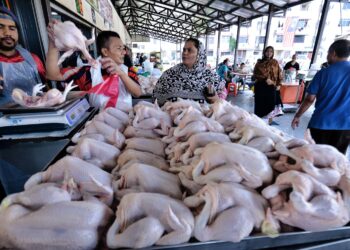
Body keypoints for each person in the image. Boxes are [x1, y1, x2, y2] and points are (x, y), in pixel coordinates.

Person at [46, 23, 141, 111]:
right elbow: (53, 75)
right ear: (105, 51)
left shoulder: (128, 71)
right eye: (119, 48)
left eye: (123, 48)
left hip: (126, 124)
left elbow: (137, 93)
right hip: (98, 124)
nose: (124, 52)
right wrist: (53, 43)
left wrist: (120, 73)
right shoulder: (88, 72)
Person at [291, 39, 350, 154]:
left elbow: (309, 99)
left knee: (313, 158)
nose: (327, 56)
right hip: (345, 126)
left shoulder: (323, 73)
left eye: (328, 53)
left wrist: (298, 116)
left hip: (321, 123)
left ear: (333, 53)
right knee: (336, 161)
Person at [153, 37, 226, 106]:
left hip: (204, 118)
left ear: (199, 54)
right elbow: (156, 97)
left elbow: (222, 97)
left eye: (189, 50)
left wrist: (216, 99)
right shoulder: (169, 74)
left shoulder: (210, 76)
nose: (185, 53)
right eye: (184, 50)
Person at [0, 7, 46, 106]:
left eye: (12, 28)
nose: (7, 33)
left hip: (39, 113)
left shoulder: (33, 59)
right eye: (0, 27)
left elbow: (44, 88)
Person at [253, 46, 283, 124]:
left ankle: (269, 124)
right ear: (264, 52)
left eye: (271, 51)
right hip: (261, 86)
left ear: (273, 53)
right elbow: (255, 74)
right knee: (260, 105)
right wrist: (265, 79)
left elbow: (279, 73)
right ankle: (258, 123)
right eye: (267, 51)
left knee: (271, 105)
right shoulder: (259, 63)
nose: (269, 53)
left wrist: (278, 84)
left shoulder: (275, 62)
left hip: (272, 87)